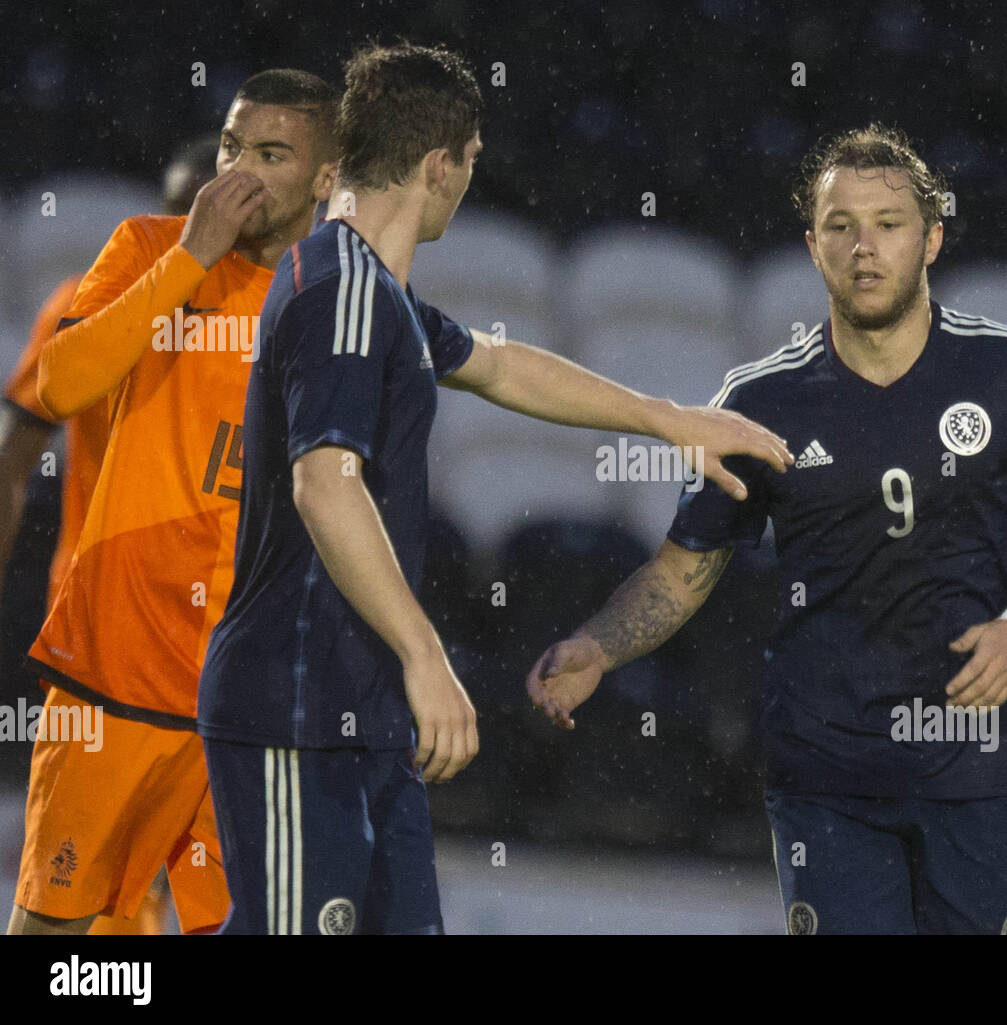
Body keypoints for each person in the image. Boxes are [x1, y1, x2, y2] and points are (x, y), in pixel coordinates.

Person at [196, 41, 791, 935]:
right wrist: (424, 654)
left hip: (357, 710)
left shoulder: (377, 293)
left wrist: (668, 418)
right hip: (297, 702)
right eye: (472, 162)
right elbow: (326, 485)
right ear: (440, 164)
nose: (471, 179)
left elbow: (503, 365)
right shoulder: (341, 294)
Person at [527, 125, 1007, 935]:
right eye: (841, 226)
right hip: (826, 766)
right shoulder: (761, 401)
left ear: (933, 238)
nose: (863, 247)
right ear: (813, 246)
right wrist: (599, 645)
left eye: (888, 224)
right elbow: (685, 566)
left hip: (977, 760)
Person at [8, 70, 341, 936]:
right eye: (233, 147)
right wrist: (186, 258)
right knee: (60, 939)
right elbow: (59, 383)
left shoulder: (335, 307)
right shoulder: (146, 245)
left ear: (327, 177)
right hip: (114, 669)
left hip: (246, 698)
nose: (241, 172)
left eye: (272, 154)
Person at [0, 134, 220, 935]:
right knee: (91, 906)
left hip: (216, 653)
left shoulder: (268, 320)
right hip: (106, 641)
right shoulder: (91, 303)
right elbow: (13, 452)